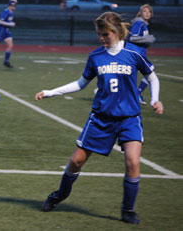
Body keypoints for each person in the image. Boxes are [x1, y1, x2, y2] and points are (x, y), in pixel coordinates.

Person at [35, 12, 163, 224]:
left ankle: (128, 210)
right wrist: (50, 92)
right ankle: (58, 195)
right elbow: (81, 83)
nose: (102, 38)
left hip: (129, 118)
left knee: (133, 162)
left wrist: (155, 99)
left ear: (116, 32)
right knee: (76, 161)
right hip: (101, 119)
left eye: (106, 34)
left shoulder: (134, 53)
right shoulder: (96, 56)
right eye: (99, 34)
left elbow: (152, 77)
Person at [129, 4, 156, 105]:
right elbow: (132, 38)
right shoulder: (139, 23)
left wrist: (147, 41)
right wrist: (148, 39)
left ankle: (136, 94)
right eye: (145, 11)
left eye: (149, 12)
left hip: (139, 54)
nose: (147, 13)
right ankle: (137, 94)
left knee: (130, 76)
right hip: (136, 54)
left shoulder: (144, 24)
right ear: (140, 13)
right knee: (150, 72)